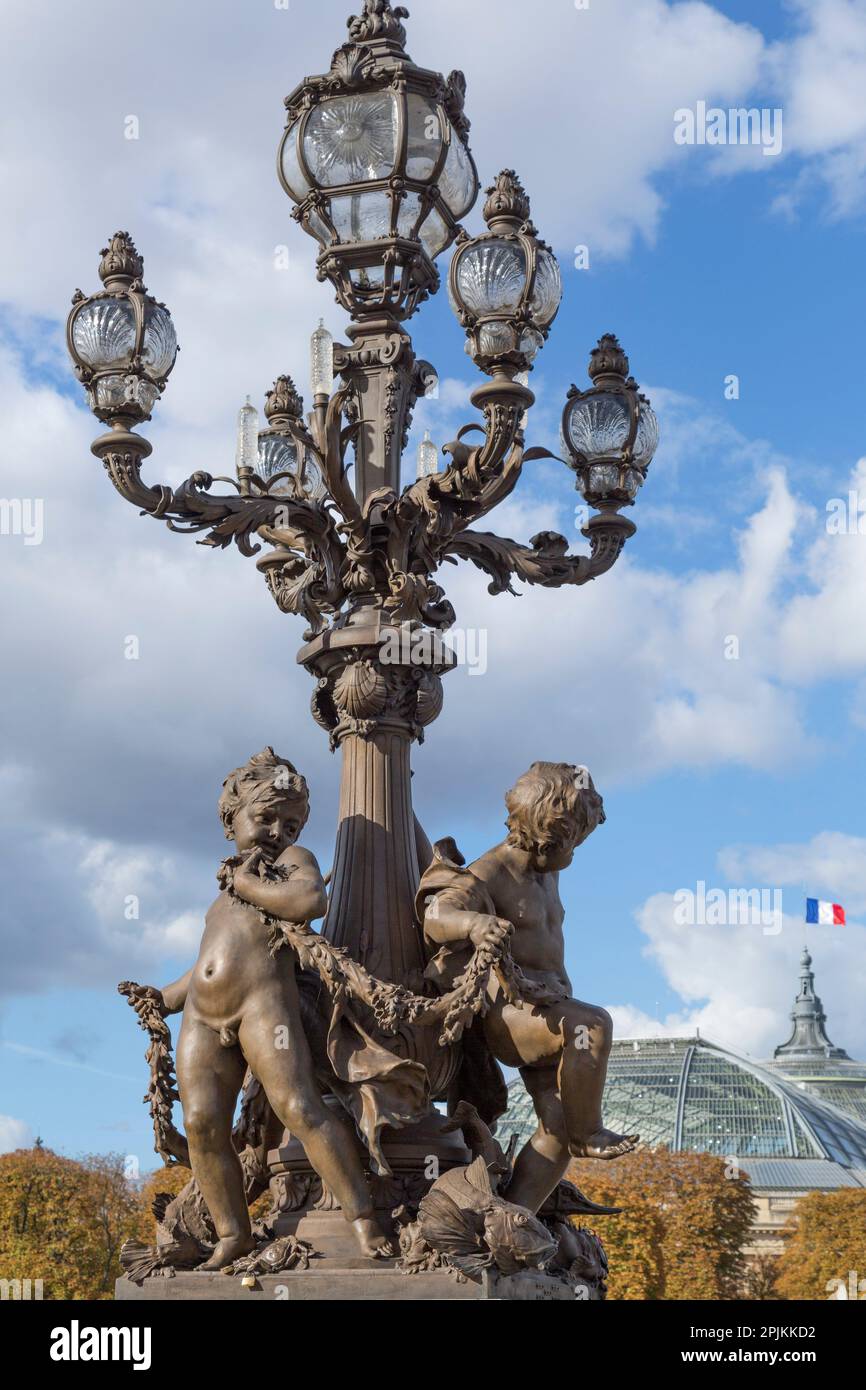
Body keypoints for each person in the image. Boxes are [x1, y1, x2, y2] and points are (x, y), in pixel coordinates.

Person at [418, 761, 638, 1215]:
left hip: (549, 1008)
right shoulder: (488, 873)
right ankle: (590, 1131)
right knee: (593, 1025)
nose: (576, 854)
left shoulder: (546, 870)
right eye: (574, 843)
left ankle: (512, 1223)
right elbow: (436, 917)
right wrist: (475, 922)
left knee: (554, 1129)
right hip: (512, 1014)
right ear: (548, 835)